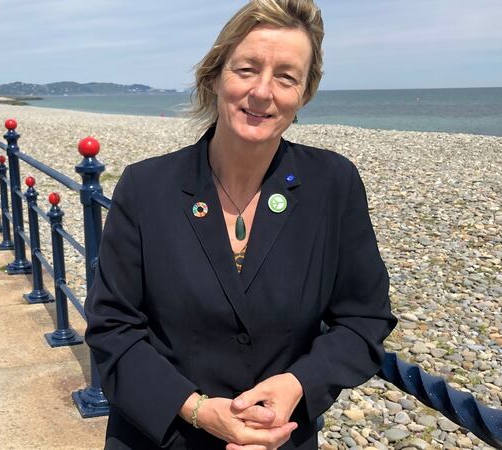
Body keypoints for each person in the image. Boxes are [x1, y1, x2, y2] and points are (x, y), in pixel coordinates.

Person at [84, 1, 397, 449]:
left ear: (305, 93)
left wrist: (299, 383)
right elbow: (111, 328)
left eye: (286, 77)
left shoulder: (333, 183)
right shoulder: (145, 187)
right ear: (215, 76)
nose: (263, 91)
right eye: (247, 69)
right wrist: (197, 409)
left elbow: (364, 318)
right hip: (162, 435)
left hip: (279, 439)